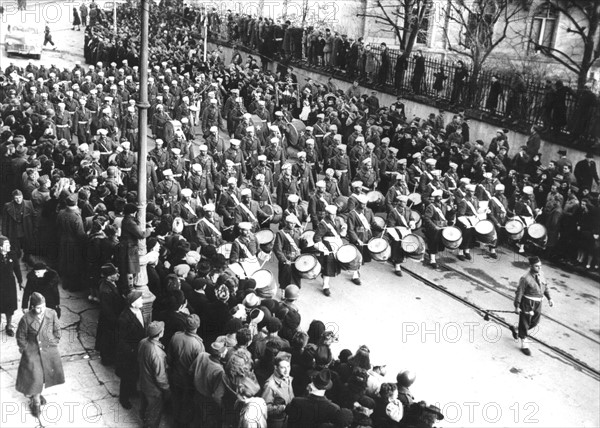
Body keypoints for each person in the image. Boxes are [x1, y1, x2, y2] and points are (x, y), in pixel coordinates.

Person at [16, 292, 65, 418]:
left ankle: (35, 393)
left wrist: (54, 341)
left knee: (44, 376)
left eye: (43, 306)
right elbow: (20, 336)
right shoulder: (26, 318)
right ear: (32, 307)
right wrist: (25, 350)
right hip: (33, 352)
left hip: (49, 350)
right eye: (38, 307)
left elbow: (57, 329)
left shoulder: (52, 313)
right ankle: (36, 403)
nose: (41, 309)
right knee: (35, 376)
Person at [510, 256, 554, 356]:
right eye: (537, 266)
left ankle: (517, 329)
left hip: (538, 302)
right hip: (527, 302)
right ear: (530, 266)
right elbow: (519, 292)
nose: (539, 268)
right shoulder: (525, 278)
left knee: (535, 322)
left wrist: (550, 298)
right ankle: (524, 344)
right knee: (525, 322)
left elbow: (544, 287)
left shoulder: (541, 274)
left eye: (540, 266)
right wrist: (517, 306)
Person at [167, 314, 204, 428]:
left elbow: (169, 358)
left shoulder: (176, 336)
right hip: (188, 381)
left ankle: (175, 420)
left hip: (175, 376)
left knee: (176, 399)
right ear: (197, 327)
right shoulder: (198, 344)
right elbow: (199, 367)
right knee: (187, 403)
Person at [116, 290, 147, 409]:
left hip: (136, 349)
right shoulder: (124, 318)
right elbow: (121, 339)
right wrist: (131, 351)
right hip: (129, 353)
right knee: (127, 376)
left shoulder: (139, 310)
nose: (142, 301)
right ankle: (124, 398)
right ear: (133, 303)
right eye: (140, 299)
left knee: (134, 373)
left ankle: (133, 390)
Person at [138, 321, 171, 428]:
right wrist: (167, 389)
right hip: (154, 389)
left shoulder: (143, 342)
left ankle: (144, 418)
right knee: (153, 413)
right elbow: (160, 377)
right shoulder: (157, 353)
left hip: (144, 381)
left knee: (145, 405)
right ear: (160, 333)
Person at [95, 263, 125, 365]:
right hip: (109, 320)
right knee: (108, 340)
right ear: (108, 277)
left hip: (111, 318)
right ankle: (107, 359)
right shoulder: (105, 291)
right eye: (115, 274)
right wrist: (116, 320)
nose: (118, 275)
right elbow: (107, 309)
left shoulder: (110, 284)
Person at [262, 351, 295, 428]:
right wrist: (283, 408)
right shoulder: (270, 385)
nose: (287, 370)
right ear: (276, 367)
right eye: (283, 367)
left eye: (288, 366)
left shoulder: (288, 378)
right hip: (277, 422)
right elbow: (265, 407)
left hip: (288, 419)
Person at [274, 214, 303, 290]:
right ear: (286, 223)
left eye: (294, 223)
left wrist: (304, 241)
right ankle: (283, 292)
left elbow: (301, 245)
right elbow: (277, 249)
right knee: (285, 276)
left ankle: (295, 291)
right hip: (286, 257)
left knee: (296, 275)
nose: (293, 225)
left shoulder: (298, 232)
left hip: (296, 258)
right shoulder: (281, 233)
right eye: (291, 223)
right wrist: (284, 260)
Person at [0, 236, 21, 336]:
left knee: (10, 306)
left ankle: (8, 326)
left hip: (9, 285)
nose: (9, 246)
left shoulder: (12, 254)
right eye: (6, 244)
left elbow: (17, 268)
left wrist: (20, 281)